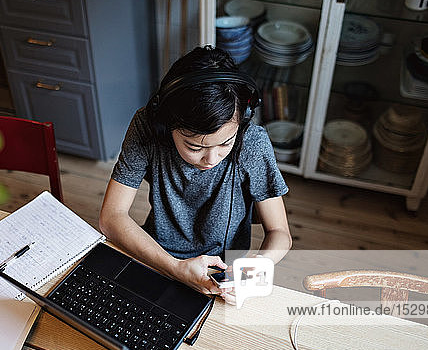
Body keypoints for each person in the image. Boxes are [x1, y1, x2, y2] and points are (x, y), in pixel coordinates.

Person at [99, 46, 291, 301]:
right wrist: (176, 268)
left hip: (220, 272)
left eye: (225, 143)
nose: (211, 159)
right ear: (165, 125)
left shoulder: (252, 143)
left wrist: (255, 267)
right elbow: (111, 217)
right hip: (155, 254)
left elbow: (280, 233)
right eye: (195, 146)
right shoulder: (147, 126)